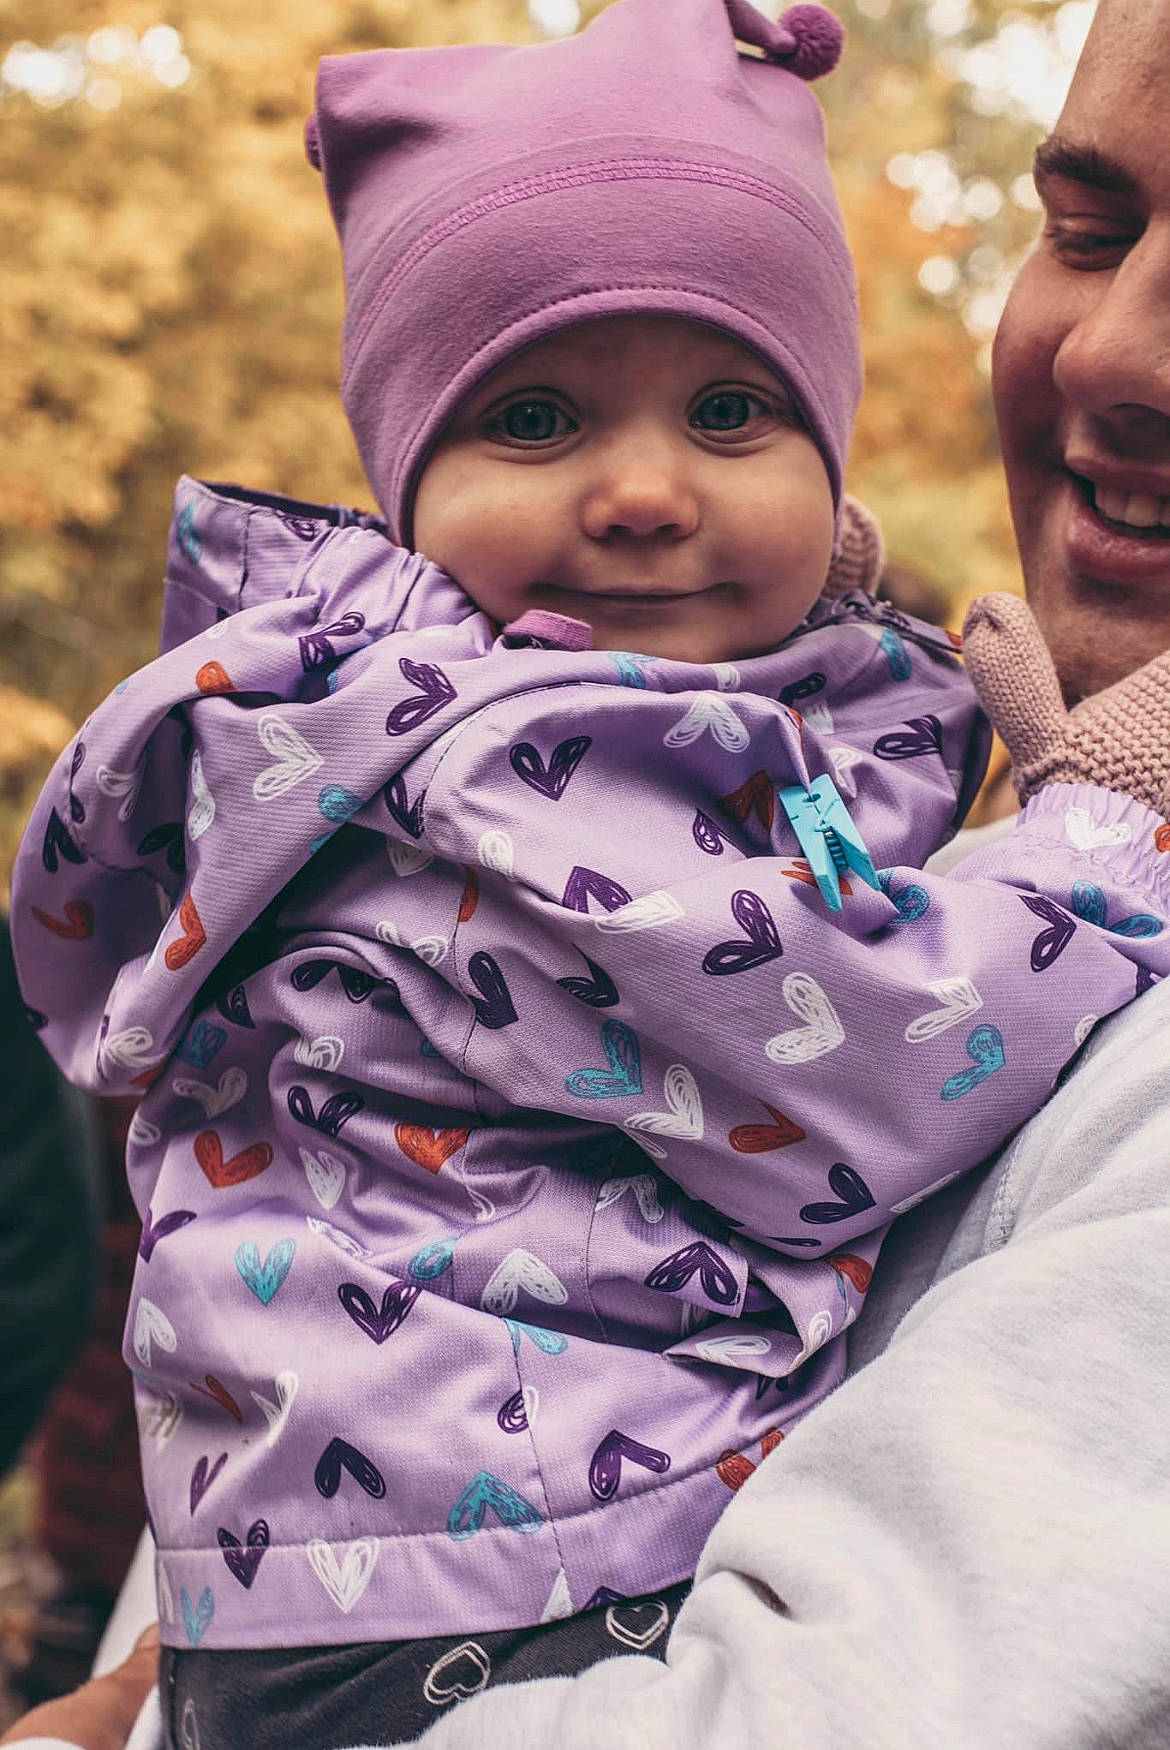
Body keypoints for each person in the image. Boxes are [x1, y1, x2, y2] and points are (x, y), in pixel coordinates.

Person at [8, 0, 1170, 1747]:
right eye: (1085, 231)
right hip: (490, 1596)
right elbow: (869, 1035)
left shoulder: (394, 727)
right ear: (405, 492)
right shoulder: (528, 762)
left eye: (728, 414)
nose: (643, 493)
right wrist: (1099, 832)